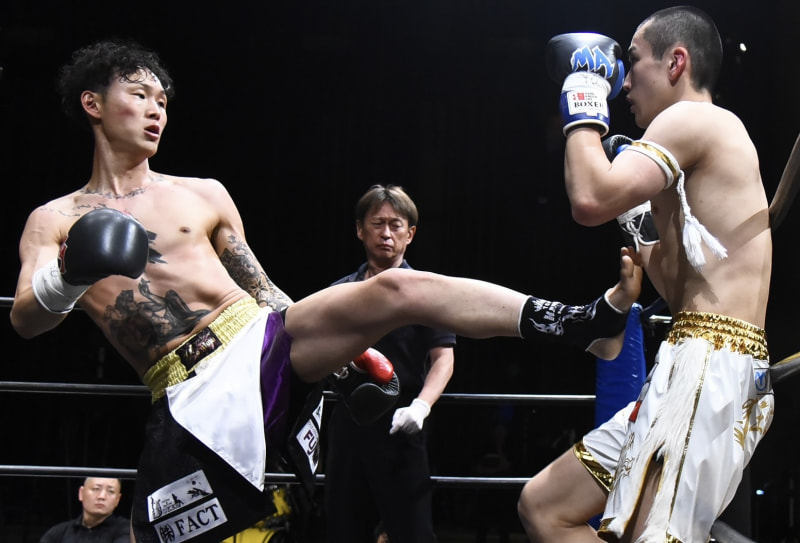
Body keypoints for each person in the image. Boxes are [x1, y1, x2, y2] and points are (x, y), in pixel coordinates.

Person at [10, 39, 642, 543]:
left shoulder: (202, 194)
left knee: (395, 287)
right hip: (183, 391)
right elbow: (26, 320)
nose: (157, 111)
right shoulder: (56, 218)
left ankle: (577, 324)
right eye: (139, 95)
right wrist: (71, 273)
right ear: (93, 104)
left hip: (257, 342)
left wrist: (340, 353)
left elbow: (262, 291)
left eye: (163, 101)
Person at [520, 6, 774, 543]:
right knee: (545, 506)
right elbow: (683, 291)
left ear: (676, 62)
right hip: (692, 355)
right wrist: (638, 220)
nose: (625, 81)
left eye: (633, 61)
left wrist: (584, 94)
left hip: (709, 365)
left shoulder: (691, 119)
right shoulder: (692, 144)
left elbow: (589, 199)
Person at [323, 184, 456, 543]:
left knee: (413, 533)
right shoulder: (339, 292)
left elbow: (444, 359)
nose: (386, 233)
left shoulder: (428, 291)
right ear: (360, 229)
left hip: (403, 424)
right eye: (377, 223)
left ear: (410, 234)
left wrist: (421, 407)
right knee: (343, 531)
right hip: (348, 425)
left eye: (395, 225)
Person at [39, 477, 130, 543]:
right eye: (96, 489)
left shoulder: (127, 531)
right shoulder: (59, 532)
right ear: (81, 493)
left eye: (111, 491)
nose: (102, 496)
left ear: (118, 499)